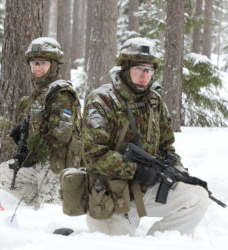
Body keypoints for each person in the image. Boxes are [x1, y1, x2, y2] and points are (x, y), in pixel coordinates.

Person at [82, 37, 209, 236]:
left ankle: (158, 242)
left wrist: (178, 171)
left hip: (147, 189)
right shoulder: (102, 100)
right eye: (139, 68)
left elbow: (167, 147)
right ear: (125, 68)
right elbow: (94, 156)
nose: (145, 75)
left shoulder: (155, 102)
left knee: (197, 197)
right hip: (111, 194)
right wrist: (136, 171)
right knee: (113, 245)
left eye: (149, 69)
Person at [0, 37, 81, 208]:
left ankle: (53, 209)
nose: (38, 68)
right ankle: (38, 207)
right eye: (34, 63)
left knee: (50, 215)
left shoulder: (61, 94)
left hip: (57, 164)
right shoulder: (39, 93)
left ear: (54, 65)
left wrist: (33, 145)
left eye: (43, 63)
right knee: (4, 175)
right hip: (39, 162)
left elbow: (61, 136)